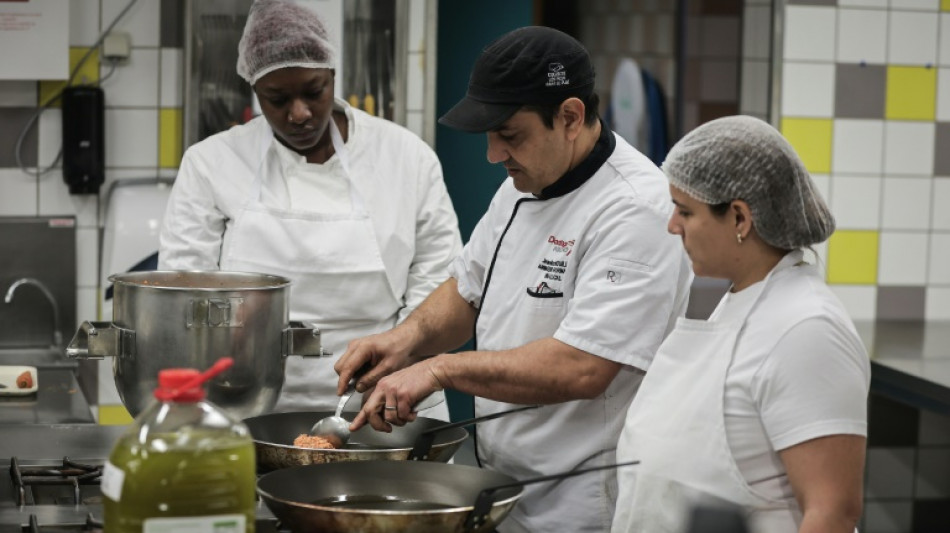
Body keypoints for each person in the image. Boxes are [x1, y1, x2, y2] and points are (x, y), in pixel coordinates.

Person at [334, 26, 693, 533]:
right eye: (489, 136)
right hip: (505, 484)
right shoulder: (524, 183)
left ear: (569, 117)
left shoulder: (635, 209)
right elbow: (466, 289)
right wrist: (403, 341)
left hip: (585, 499)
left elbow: (583, 368)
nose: (493, 154)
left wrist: (439, 371)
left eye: (510, 135)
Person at [158, 0, 462, 416]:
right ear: (254, 90)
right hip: (248, 401)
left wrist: (400, 365)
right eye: (277, 98)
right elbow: (184, 292)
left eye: (313, 92)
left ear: (333, 75)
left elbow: (438, 280)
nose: (299, 113)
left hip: (385, 394)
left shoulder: (405, 157)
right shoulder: (212, 163)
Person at [611, 115, 870, 533]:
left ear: (739, 219)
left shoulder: (807, 328)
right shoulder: (728, 300)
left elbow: (832, 512)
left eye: (685, 211)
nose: (671, 225)